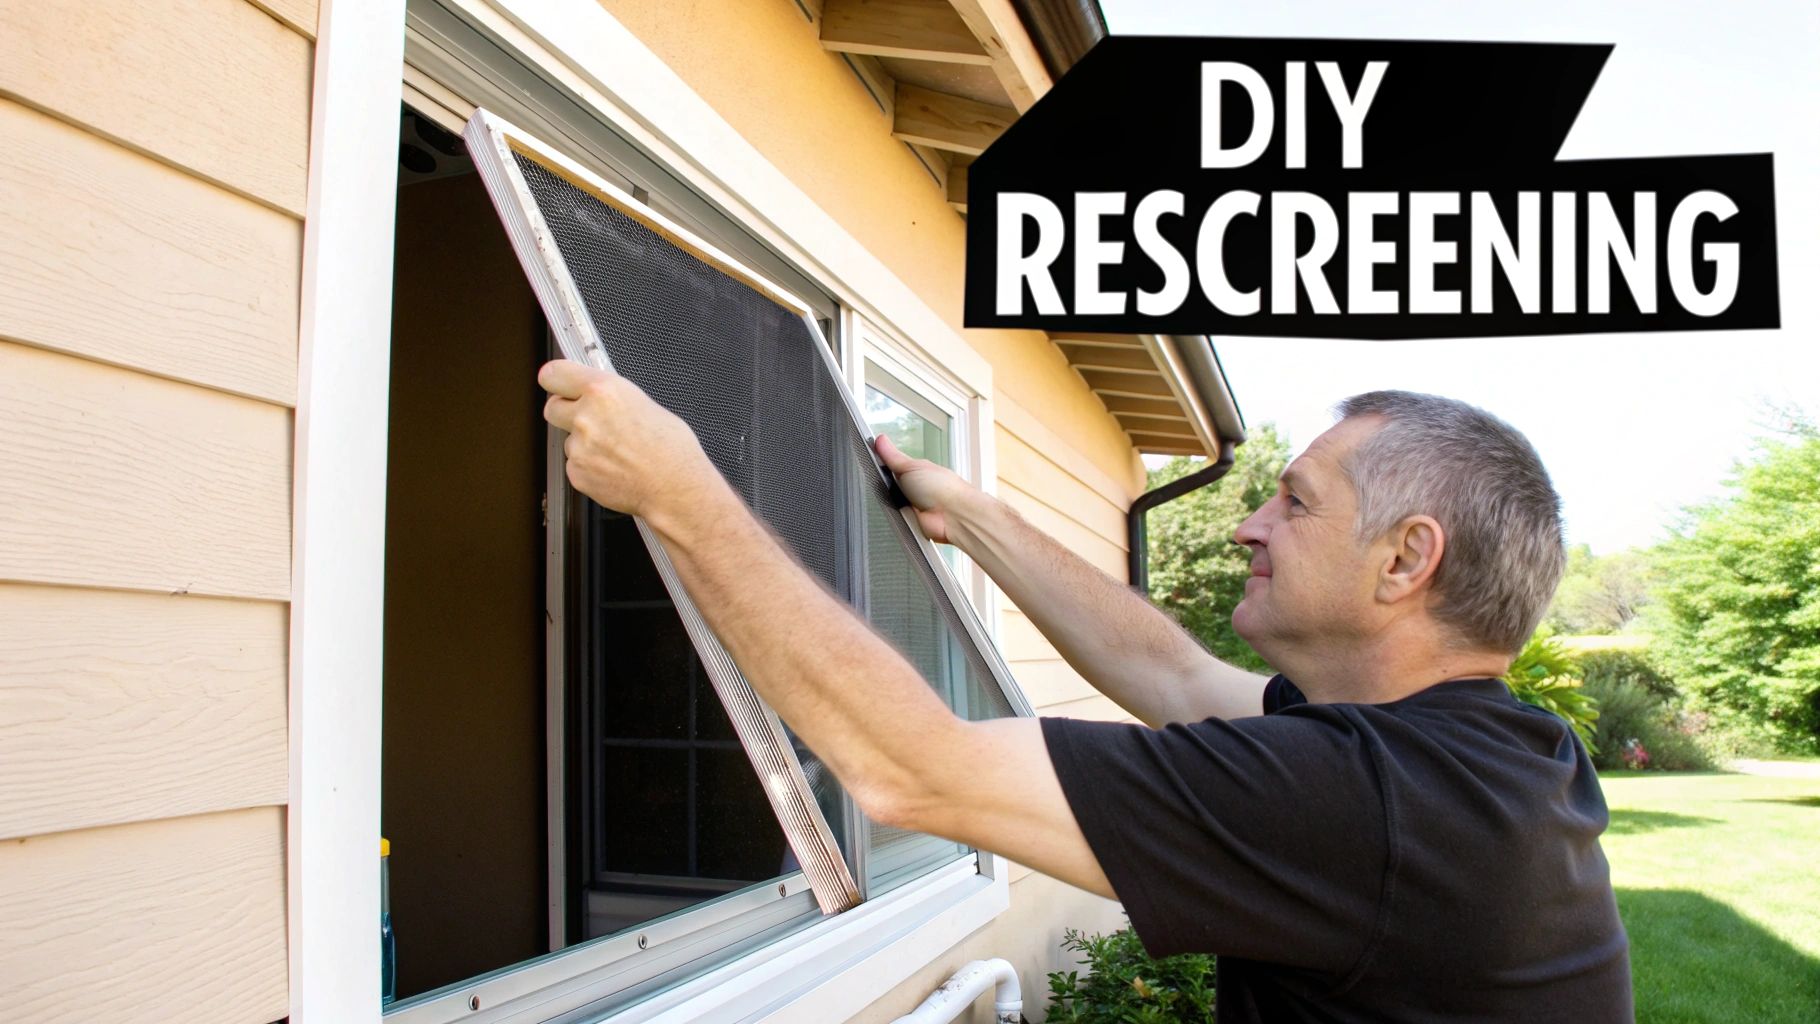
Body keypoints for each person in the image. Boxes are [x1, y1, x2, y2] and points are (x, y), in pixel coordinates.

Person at [539, 362, 1633, 1023]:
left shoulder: (1372, 801)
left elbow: (908, 767)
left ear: (1404, 561)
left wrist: (680, 493)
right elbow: (1172, 675)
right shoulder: (1488, 752)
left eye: (1291, 505)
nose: (1248, 525)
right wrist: (971, 517)